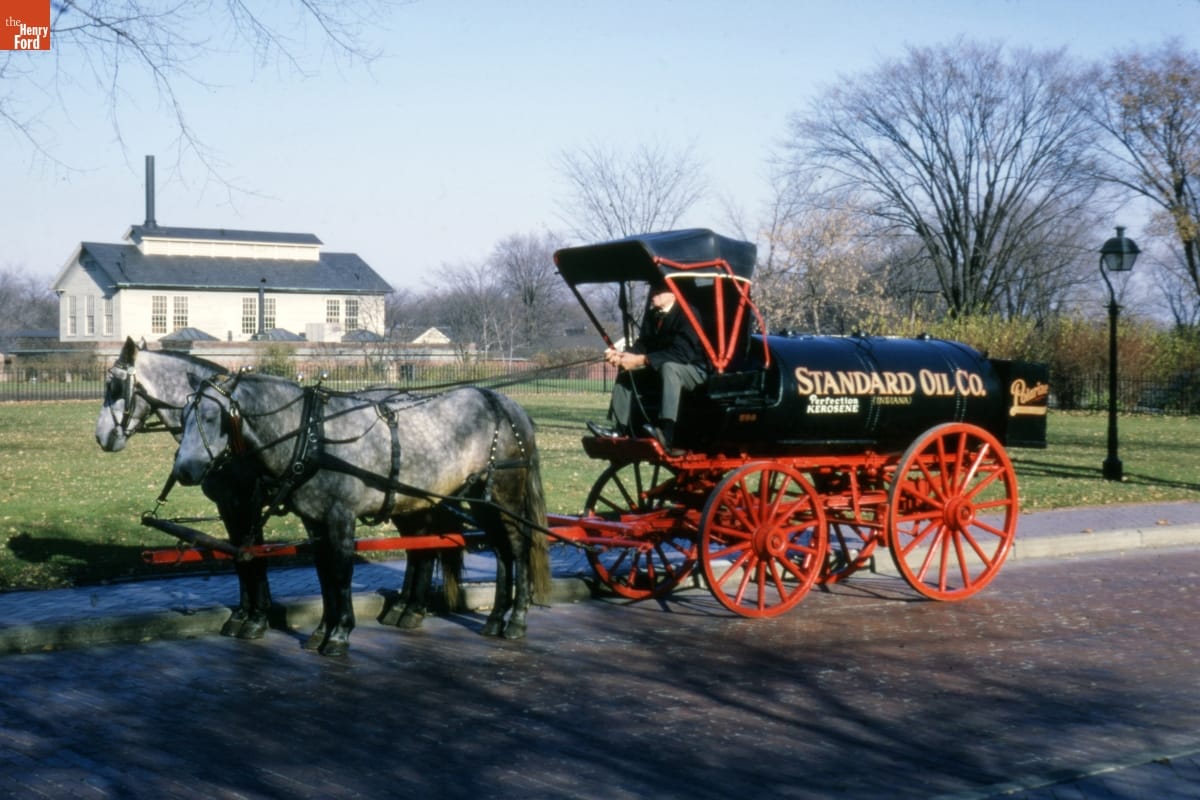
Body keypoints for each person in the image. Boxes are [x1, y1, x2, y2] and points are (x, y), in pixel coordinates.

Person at [587, 277, 709, 454]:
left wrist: (639, 360)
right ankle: (619, 430)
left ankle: (666, 433)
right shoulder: (653, 316)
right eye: (653, 290)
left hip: (695, 369)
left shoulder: (689, 315)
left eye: (658, 291)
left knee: (669, 368)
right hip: (664, 366)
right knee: (627, 372)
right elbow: (643, 345)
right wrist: (623, 356)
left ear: (673, 293)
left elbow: (680, 355)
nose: (653, 294)